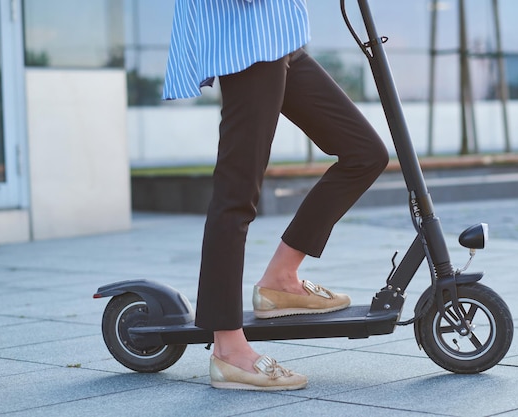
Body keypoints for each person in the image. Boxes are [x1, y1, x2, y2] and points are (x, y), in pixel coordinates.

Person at [163, 0, 388, 391]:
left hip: (280, 36)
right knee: (236, 197)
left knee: (365, 153)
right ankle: (229, 350)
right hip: (245, 43)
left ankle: (281, 279)